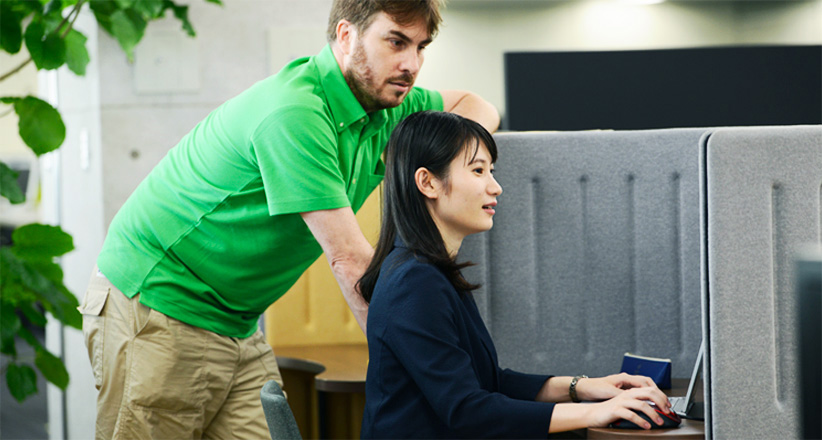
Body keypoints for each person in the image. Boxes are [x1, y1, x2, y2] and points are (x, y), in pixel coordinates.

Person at [77, 0, 499, 438]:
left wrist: (442, 160)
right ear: (346, 35)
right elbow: (350, 262)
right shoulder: (297, 112)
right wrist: (415, 369)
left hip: (237, 321)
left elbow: (476, 106)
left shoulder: (389, 105)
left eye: (420, 47)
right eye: (396, 42)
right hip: (157, 306)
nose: (411, 64)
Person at [358, 111, 672, 438]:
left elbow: (489, 382)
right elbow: (467, 410)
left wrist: (582, 387)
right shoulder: (413, 282)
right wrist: (594, 412)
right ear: (428, 183)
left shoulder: (431, 270)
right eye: (478, 170)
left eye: (491, 171)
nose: (496, 187)